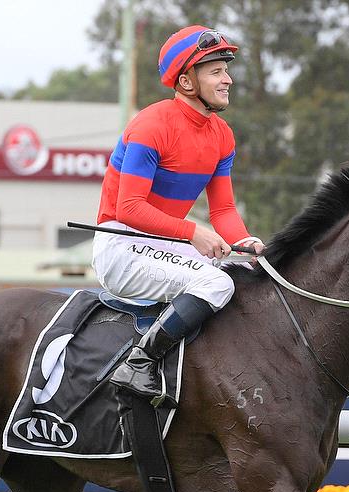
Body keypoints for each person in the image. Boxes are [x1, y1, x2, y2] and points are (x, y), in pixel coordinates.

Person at [93, 25, 265, 408]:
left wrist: (245, 241)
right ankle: (138, 364)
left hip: (163, 244)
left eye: (226, 69)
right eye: (216, 71)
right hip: (122, 244)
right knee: (217, 286)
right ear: (186, 81)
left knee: (250, 276)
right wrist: (193, 232)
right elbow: (129, 208)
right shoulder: (151, 125)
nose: (227, 79)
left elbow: (223, 210)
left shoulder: (222, 135)